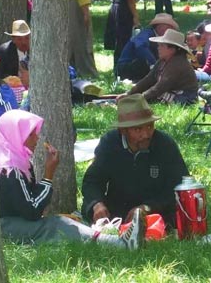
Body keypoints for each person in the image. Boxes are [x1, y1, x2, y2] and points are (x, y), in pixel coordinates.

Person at [0, 110, 146, 247]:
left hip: (10, 222)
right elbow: (32, 210)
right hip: (4, 227)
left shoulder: (15, 161)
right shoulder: (9, 169)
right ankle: (119, 243)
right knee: (56, 225)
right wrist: (48, 175)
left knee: (64, 221)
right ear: (14, 136)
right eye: (30, 134)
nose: (37, 138)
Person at [81, 94, 189, 228]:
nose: (146, 134)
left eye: (150, 126)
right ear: (123, 131)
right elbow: (92, 180)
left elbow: (181, 186)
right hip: (118, 211)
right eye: (138, 129)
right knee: (89, 206)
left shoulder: (164, 144)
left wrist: (147, 207)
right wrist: (97, 204)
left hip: (156, 211)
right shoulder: (109, 143)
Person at [126, 29, 198, 104]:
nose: (158, 48)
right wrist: (129, 93)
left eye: (162, 45)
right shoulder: (162, 61)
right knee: (150, 92)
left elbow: (160, 87)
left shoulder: (177, 63)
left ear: (172, 49)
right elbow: (149, 79)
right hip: (170, 91)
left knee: (156, 95)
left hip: (186, 96)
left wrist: (138, 98)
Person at [117, 13, 179, 81]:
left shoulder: (159, 37)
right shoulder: (147, 33)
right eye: (168, 27)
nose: (171, 29)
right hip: (127, 66)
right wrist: (154, 64)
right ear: (160, 27)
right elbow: (140, 47)